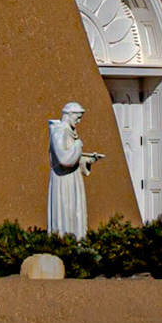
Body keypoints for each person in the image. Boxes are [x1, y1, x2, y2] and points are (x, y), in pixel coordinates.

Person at [46, 102, 104, 238]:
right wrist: (78, 146)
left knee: (74, 210)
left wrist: (88, 160)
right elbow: (64, 158)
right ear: (69, 114)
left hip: (72, 178)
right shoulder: (59, 131)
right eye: (77, 117)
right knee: (65, 210)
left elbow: (73, 158)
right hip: (63, 180)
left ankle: (77, 240)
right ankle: (64, 241)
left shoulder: (69, 131)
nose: (79, 121)